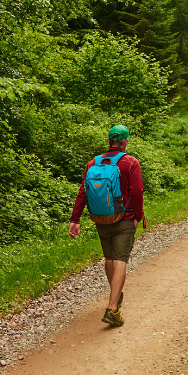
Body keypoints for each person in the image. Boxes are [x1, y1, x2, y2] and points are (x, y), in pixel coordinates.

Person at [69, 125, 144, 328]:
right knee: (120, 260)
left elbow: (82, 192)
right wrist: (138, 216)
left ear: (109, 140)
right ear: (125, 141)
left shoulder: (93, 163)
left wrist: (75, 219)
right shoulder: (130, 162)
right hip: (124, 218)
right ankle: (112, 309)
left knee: (109, 258)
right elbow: (137, 191)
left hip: (100, 218)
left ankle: (115, 295)